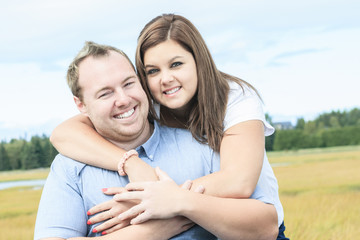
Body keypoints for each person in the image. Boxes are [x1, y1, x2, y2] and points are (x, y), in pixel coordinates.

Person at [50, 13, 288, 239]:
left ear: (198, 61)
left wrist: (155, 198)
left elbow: (238, 182)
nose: (165, 79)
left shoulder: (234, 98)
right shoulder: (147, 100)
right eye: (152, 71)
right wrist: (130, 163)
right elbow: (63, 134)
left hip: (259, 230)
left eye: (176, 64)